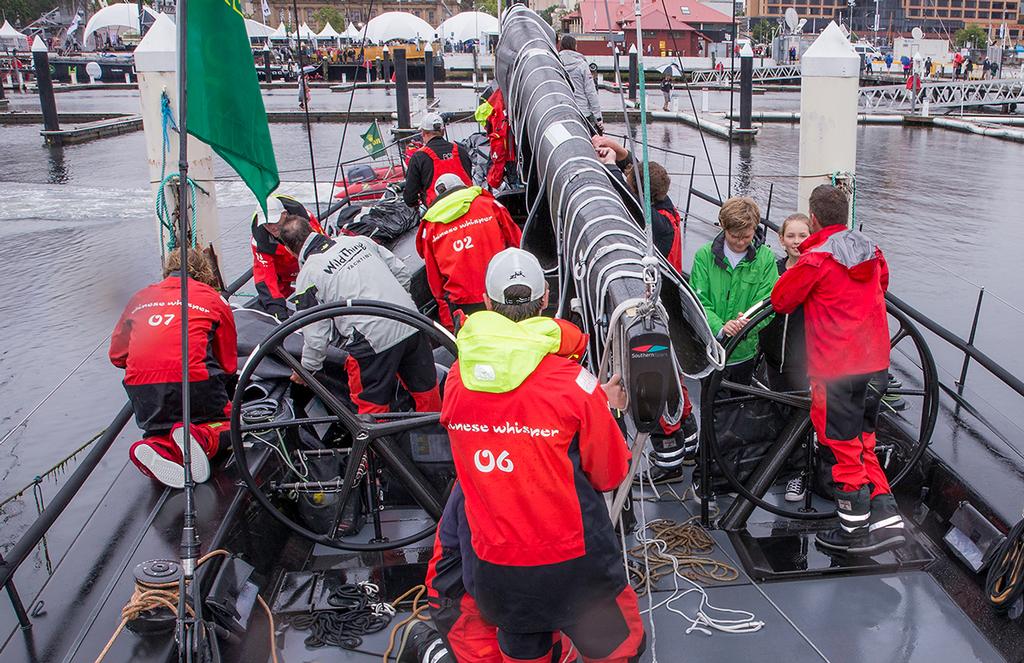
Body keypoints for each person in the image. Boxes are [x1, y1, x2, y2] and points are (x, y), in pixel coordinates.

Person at [440, 248, 644, 663]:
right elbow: (609, 474)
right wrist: (602, 408)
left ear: (487, 300)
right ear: (546, 298)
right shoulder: (576, 384)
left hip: (497, 567)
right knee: (618, 650)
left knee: (524, 655)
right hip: (575, 567)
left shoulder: (456, 382)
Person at [771, 184, 905, 555]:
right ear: (845, 216)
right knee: (864, 442)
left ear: (813, 220)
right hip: (875, 366)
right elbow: (881, 284)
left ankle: (853, 533)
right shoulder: (871, 250)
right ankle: (886, 518)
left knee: (843, 449)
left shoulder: (815, 260)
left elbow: (782, 301)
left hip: (836, 371)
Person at [593, 137, 699, 481]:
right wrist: (619, 155)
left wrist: (610, 169)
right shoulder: (665, 207)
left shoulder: (654, 223)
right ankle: (691, 443)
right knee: (678, 384)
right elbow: (636, 185)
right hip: (670, 300)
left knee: (661, 383)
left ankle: (667, 462)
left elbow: (624, 199)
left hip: (653, 305)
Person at [278, 214, 441, 415]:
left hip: (372, 341)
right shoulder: (359, 241)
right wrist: (399, 303)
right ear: (313, 230)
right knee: (426, 390)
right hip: (411, 321)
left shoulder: (308, 275)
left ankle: (381, 446)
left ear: (288, 249)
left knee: (370, 407)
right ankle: (439, 437)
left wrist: (307, 369)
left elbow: (315, 334)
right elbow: (402, 273)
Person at [109, 250, 236, 488]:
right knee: (233, 423)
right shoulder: (214, 299)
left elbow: (117, 356)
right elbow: (228, 363)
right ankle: (201, 437)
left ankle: (151, 446)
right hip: (195, 384)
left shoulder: (139, 298)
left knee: (159, 433)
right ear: (205, 272)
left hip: (144, 393)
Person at [416, 173, 523, 332]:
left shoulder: (429, 227)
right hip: (502, 290)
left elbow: (434, 279)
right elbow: (517, 242)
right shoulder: (490, 205)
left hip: (464, 303)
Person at [758, 213, 811, 502]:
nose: (796, 242)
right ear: (781, 239)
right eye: (791, 236)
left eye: (803, 236)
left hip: (802, 360)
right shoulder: (773, 270)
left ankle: (798, 473)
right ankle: (782, 463)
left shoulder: (814, 272)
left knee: (799, 416)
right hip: (773, 355)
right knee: (778, 410)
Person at [250, 193, 324, 320]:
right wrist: (277, 309)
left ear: (284, 214)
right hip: (282, 275)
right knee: (272, 303)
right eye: (267, 224)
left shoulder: (306, 222)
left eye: (274, 221)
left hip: (309, 264)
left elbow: (321, 250)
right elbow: (265, 276)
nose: (272, 227)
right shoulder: (260, 241)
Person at [404, 112, 473, 209]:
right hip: (467, 207)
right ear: (443, 131)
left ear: (423, 133)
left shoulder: (419, 157)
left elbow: (410, 198)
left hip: (439, 213)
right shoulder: (461, 151)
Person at [558, 34, 603, 133]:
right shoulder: (582, 65)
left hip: (562, 111)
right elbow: (590, 92)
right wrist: (598, 117)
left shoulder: (556, 63)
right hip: (582, 111)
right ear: (574, 46)